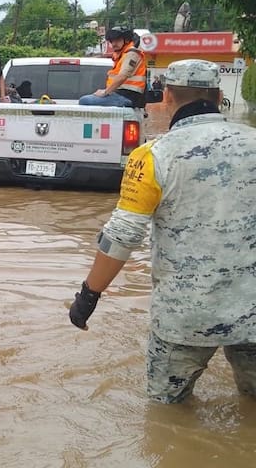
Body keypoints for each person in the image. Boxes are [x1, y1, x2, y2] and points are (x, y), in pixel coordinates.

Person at [68, 59, 256, 404]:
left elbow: (122, 235)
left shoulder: (152, 156)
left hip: (184, 316)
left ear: (167, 96)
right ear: (218, 97)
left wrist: (88, 296)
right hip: (253, 312)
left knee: (166, 413)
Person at [79, 26, 146, 107]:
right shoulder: (122, 55)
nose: (114, 44)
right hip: (121, 94)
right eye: (112, 41)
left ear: (126, 40)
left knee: (84, 100)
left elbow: (122, 76)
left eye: (117, 40)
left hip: (128, 96)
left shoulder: (132, 54)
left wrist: (105, 92)